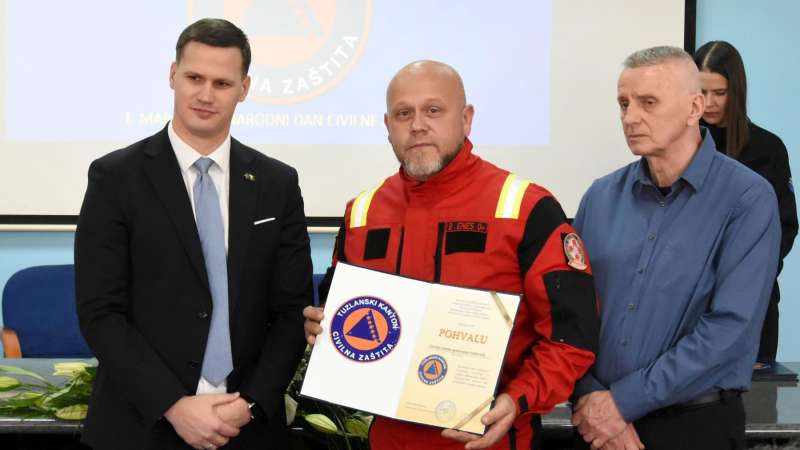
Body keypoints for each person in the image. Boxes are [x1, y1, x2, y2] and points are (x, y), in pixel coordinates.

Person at [303, 60, 600, 450]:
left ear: (466, 118)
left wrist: (518, 399)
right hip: (388, 441)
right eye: (403, 113)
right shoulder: (362, 213)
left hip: (490, 439)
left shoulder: (526, 208)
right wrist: (322, 326)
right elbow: (337, 313)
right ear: (387, 125)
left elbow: (571, 337)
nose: (417, 125)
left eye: (433, 110)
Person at [75, 19, 313, 450]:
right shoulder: (115, 177)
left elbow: (291, 310)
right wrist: (172, 405)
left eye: (222, 83)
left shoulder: (277, 183)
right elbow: (101, 311)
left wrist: (250, 404)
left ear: (244, 88)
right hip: (140, 426)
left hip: (247, 428)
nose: (206, 95)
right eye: (194, 78)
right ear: (173, 75)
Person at [570, 46, 780, 450]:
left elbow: (729, 330)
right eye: (624, 103)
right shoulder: (599, 197)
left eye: (648, 102)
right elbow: (568, 313)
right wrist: (590, 396)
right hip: (595, 425)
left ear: (694, 108)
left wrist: (621, 403)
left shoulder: (747, 199)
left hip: (695, 428)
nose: (630, 117)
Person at [694, 40, 798, 369]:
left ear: (736, 91)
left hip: (754, 300)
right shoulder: (680, 147)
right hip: (691, 300)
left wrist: (748, 275)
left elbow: (785, 226)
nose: (709, 102)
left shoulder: (768, 148)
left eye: (720, 93)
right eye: (701, 91)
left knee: (754, 396)